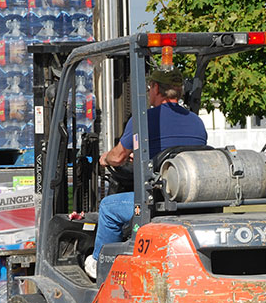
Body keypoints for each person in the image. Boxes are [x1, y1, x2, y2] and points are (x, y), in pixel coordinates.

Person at [85, 68, 207, 279]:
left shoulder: (143, 120)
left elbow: (118, 157)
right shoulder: (197, 122)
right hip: (188, 199)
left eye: (151, 87)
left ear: (157, 88)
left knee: (109, 208)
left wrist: (105, 158)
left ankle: (100, 265)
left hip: (157, 200)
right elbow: (179, 155)